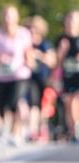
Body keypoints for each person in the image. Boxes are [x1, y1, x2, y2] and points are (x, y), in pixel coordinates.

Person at [0, 5, 34, 145]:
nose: (8, 18)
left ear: (16, 17)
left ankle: (16, 132)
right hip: (2, 75)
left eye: (10, 15)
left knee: (16, 102)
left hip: (20, 75)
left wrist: (30, 63)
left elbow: (28, 52)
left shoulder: (23, 33)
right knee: (3, 105)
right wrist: (0, 58)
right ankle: (7, 130)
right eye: (5, 15)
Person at [24, 15, 56, 142]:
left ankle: (42, 129)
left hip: (44, 78)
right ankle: (32, 131)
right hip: (31, 78)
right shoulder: (27, 44)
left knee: (45, 106)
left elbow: (52, 61)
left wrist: (40, 56)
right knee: (33, 104)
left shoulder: (45, 44)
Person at [56, 9, 79, 142]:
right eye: (69, 19)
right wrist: (61, 52)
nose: (71, 22)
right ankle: (73, 130)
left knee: (76, 100)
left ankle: (76, 127)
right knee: (68, 103)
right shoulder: (62, 39)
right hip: (67, 75)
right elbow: (57, 63)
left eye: (74, 20)